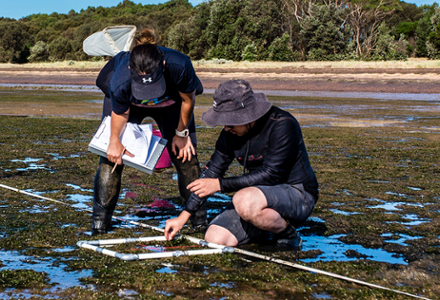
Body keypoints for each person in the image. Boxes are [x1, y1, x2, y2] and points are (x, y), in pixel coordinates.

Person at [164, 79, 319, 247]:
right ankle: (265, 225)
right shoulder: (230, 133)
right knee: (215, 238)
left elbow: (272, 175)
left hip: (298, 194)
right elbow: (211, 173)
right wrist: (184, 215)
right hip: (258, 198)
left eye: (230, 122)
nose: (226, 128)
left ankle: (288, 234)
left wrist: (220, 185)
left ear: (248, 116)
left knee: (244, 200)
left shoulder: (282, 125)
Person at [91, 28, 207, 235]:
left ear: (162, 66)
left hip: (171, 103)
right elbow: (121, 113)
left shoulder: (179, 65)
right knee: (111, 159)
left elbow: (188, 100)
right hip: (128, 105)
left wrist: (182, 134)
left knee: (186, 156)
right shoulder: (120, 80)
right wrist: (114, 141)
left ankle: (198, 221)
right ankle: (100, 224)